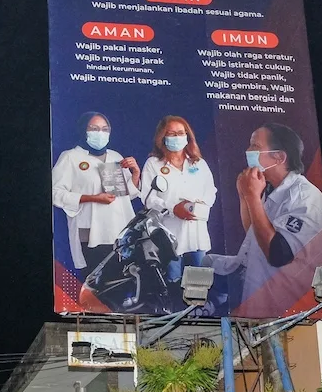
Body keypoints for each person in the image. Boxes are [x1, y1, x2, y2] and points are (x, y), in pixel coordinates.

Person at [203, 123, 322, 318]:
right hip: (249, 274)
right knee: (203, 264)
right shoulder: (269, 187)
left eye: (255, 146)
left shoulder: (305, 198)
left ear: (279, 157)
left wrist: (252, 197)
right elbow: (255, 234)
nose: (248, 151)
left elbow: (278, 253)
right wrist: (244, 196)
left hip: (279, 297)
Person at [140, 115, 217, 309]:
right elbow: (147, 197)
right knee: (174, 279)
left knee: (198, 281)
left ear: (187, 136)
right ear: (162, 137)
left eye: (180, 133)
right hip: (169, 232)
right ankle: (174, 313)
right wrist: (172, 208)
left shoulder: (198, 163)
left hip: (196, 230)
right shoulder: (153, 164)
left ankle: (198, 313)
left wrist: (200, 204)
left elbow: (211, 190)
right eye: (171, 133)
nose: (176, 137)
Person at [52, 112, 141, 276]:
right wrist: (92, 198)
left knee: (120, 282)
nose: (100, 133)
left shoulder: (115, 157)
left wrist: (135, 174)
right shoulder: (71, 157)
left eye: (104, 129)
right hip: (91, 233)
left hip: (118, 232)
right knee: (97, 283)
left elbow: (128, 195)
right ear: (83, 130)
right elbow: (55, 193)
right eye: (94, 128)